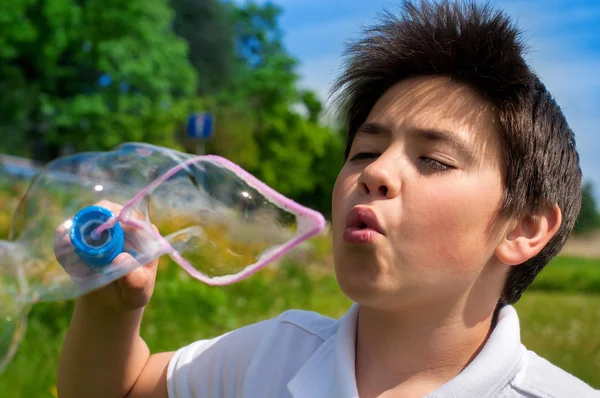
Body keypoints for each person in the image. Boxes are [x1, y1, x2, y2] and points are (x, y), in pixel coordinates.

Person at [56, 1, 600, 397]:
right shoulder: (269, 358)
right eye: (365, 151)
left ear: (524, 229)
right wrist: (111, 308)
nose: (377, 173)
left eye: (433, 160)